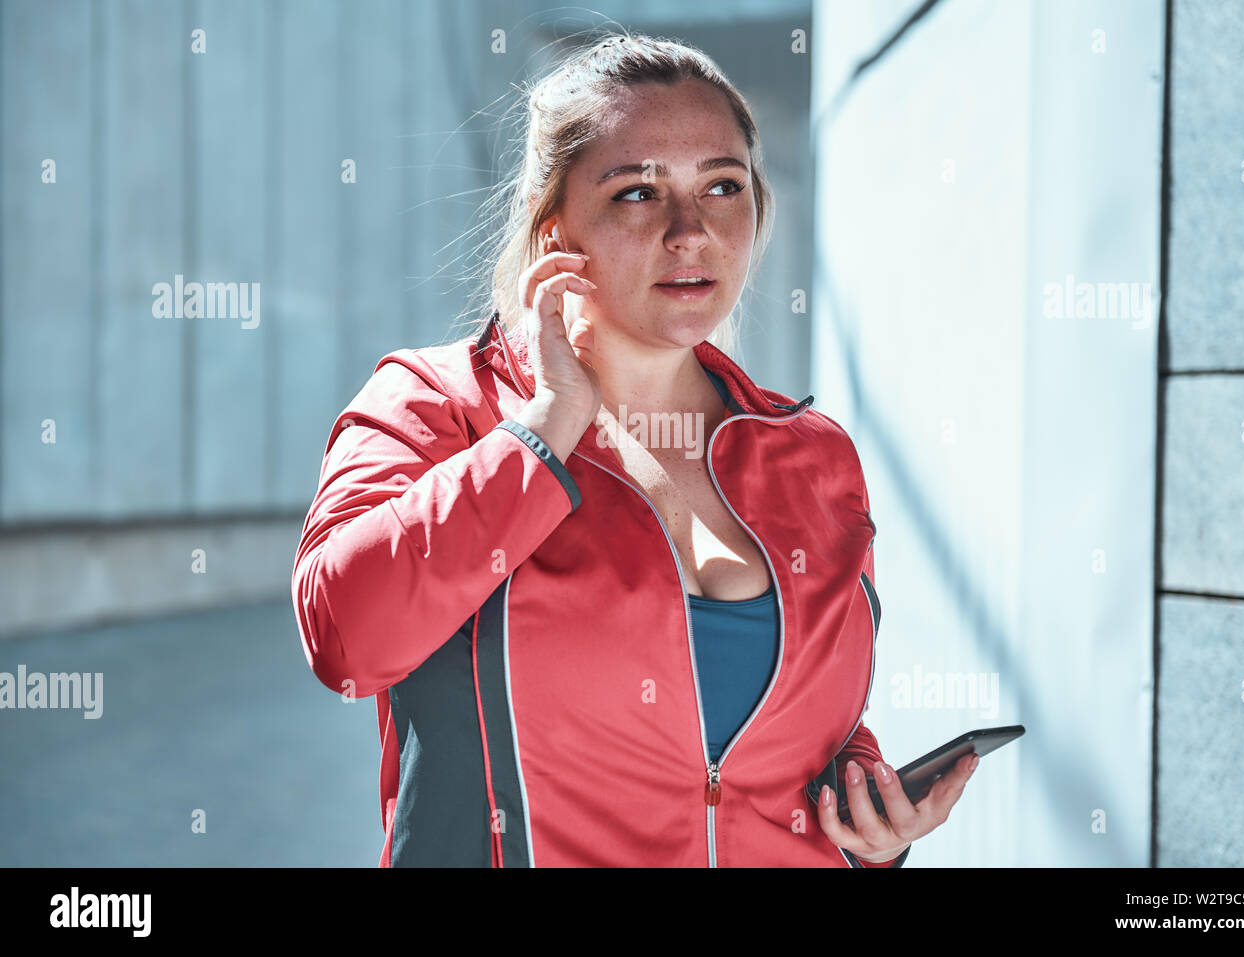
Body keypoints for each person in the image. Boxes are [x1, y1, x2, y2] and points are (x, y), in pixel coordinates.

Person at [291, 31, 977, 867]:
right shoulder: (437, 407)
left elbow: (797, 731)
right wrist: (542, 434)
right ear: (555, 236)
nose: (691, 231)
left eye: (722, 186)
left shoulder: (812, 456)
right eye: (636, 194)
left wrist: (865, 809)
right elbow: (345, 636)